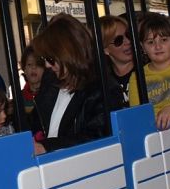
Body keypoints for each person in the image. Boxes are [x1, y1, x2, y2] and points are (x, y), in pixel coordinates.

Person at [30, 13, 124, 154]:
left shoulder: (104, 90)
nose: (47, 65)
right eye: (44, 58)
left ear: (68, 54)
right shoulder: (50, 82)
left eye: (50, 58)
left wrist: (47, 147)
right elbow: (35, 121)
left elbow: (97, 139)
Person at [100, 15, 135, 103]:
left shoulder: (148, 71)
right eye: (118, 40)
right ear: (105, 49)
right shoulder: (102, 83)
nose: (128, 42)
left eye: (128, 35)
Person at [20, 47, 44, 120]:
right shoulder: (19, 98)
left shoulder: (51, 94)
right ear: (24, 68)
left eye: (38, 64)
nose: (34, 68)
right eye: (29, 64)